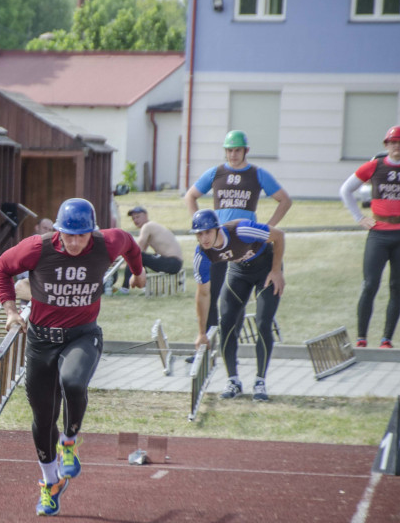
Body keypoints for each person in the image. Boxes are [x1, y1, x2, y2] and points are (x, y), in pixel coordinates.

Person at [0, 198, 145, 517]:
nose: (75, 243)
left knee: (73, 382)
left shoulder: (108, 241)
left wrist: (138, 273)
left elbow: (132, 245)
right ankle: (50, 484)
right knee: (43, 417)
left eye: (82, 236)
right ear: (58, 231)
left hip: (82, 335)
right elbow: (1, 268)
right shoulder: (38, 247)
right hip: (41, 340)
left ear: (93, 231)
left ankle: (70, 441)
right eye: (68, 235)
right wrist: (9, 311)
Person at [185, 130, 291, 331]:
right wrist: (201, 227)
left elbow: (285, 200)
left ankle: (230, 343)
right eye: (229, 150)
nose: (233, 154)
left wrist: (269, 226)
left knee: (236, 298)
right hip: (217, 242)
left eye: (237, 150)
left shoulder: (257, 173)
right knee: (211, 293)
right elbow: (190, 196)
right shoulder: (216, 173)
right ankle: (209, 346)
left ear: (246, 151)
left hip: (243, 242)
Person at [190, 209, 285, 402]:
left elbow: (279, 236)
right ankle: (233, 380)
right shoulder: (202, 254)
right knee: (226, 322)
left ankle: (260, 381)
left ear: (217, 229)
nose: (204, 238)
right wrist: (201, 333)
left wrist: (276, 271)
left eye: (207, 232)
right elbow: (203, 293)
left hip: (265, 267)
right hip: (239, 272)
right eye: (199, 234)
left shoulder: (242, 230)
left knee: (263, 323)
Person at [339, 125, 400, 349]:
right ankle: (362, 338)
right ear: (386, 145)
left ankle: (386, 339)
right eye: (393, 142)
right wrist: (359, 218)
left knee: (397, 286)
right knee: (369, 284)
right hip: (379, 234)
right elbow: (346, 189)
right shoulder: (376, 165)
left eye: (399, 142)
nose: (396, 146)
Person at [119, 206, 183, 293]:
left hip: (172, 262)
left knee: (136, 256)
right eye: (133, 218)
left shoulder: (147, 226)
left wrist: (125, 261)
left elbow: (136, 251)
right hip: (174, 263)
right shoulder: (152, 227)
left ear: (146, 216)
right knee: (139, 258)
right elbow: (141, 252)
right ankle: (146, 289)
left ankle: (124, 289)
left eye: (138, 217)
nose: (135, 220)